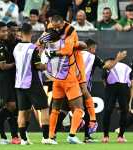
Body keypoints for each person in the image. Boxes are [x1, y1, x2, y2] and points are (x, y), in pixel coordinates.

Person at [40, 15, 85, 144]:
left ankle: (51, 136)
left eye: (57, 27)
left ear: (61, 23)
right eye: (53, 27)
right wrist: (78, 44)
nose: (55, 29)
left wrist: (49, 52)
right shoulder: (69, 33)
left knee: (55, 109)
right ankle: (71, 135)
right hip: (68, 77)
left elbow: (43, 41)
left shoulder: (55, 34)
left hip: (56, 78)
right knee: (79, 108)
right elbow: (68, 50)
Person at [13, 23, 48, 145]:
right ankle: (46, 138)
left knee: (23, 111)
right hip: (32, 82)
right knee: (44, 107)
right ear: (31, 33)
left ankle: (23, 139)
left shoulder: (16, 48)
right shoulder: (33, 48)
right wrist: (46, 66)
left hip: (19, 84)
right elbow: (38, 66)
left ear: (21, 33)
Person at [102, 58, 131, 143]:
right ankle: (114, 136)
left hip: (122, 87)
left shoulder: (125, 67)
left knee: (114, 111)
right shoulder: (106, 67)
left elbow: (131, 84)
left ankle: (112, 136)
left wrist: (129, 102)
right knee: (110, 111)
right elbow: (104, 81)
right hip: (119, 87)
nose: (106, 64)